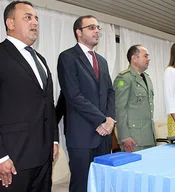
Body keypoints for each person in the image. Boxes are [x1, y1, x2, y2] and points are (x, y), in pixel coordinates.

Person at [0, 1, 58, 191]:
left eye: (36, 18)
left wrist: (54, 139)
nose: (35, 22)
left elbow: (47, 104)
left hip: (43, 158)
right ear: (10, 23)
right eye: (28, 17)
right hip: (12, 159)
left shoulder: (40, 60)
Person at [57, 15, 115, 192]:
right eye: (91, 27)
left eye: (98, 28)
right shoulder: (67, 57)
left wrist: (110, 119)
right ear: (78, 32)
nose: (97, 31)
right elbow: (74, 96)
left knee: (102, 184)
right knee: (81, 185)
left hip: (104, 136)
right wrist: (102, 120)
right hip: (81, 135)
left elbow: (110, 93)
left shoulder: (102, 61)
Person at [113, 45, 155, 152]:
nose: (148, 59)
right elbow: (119, 108)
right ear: (134, 58)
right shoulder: (124, 78)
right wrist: (124, 136)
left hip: (149, 136)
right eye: (145, 56)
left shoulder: (147, 78)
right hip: (133, 138)